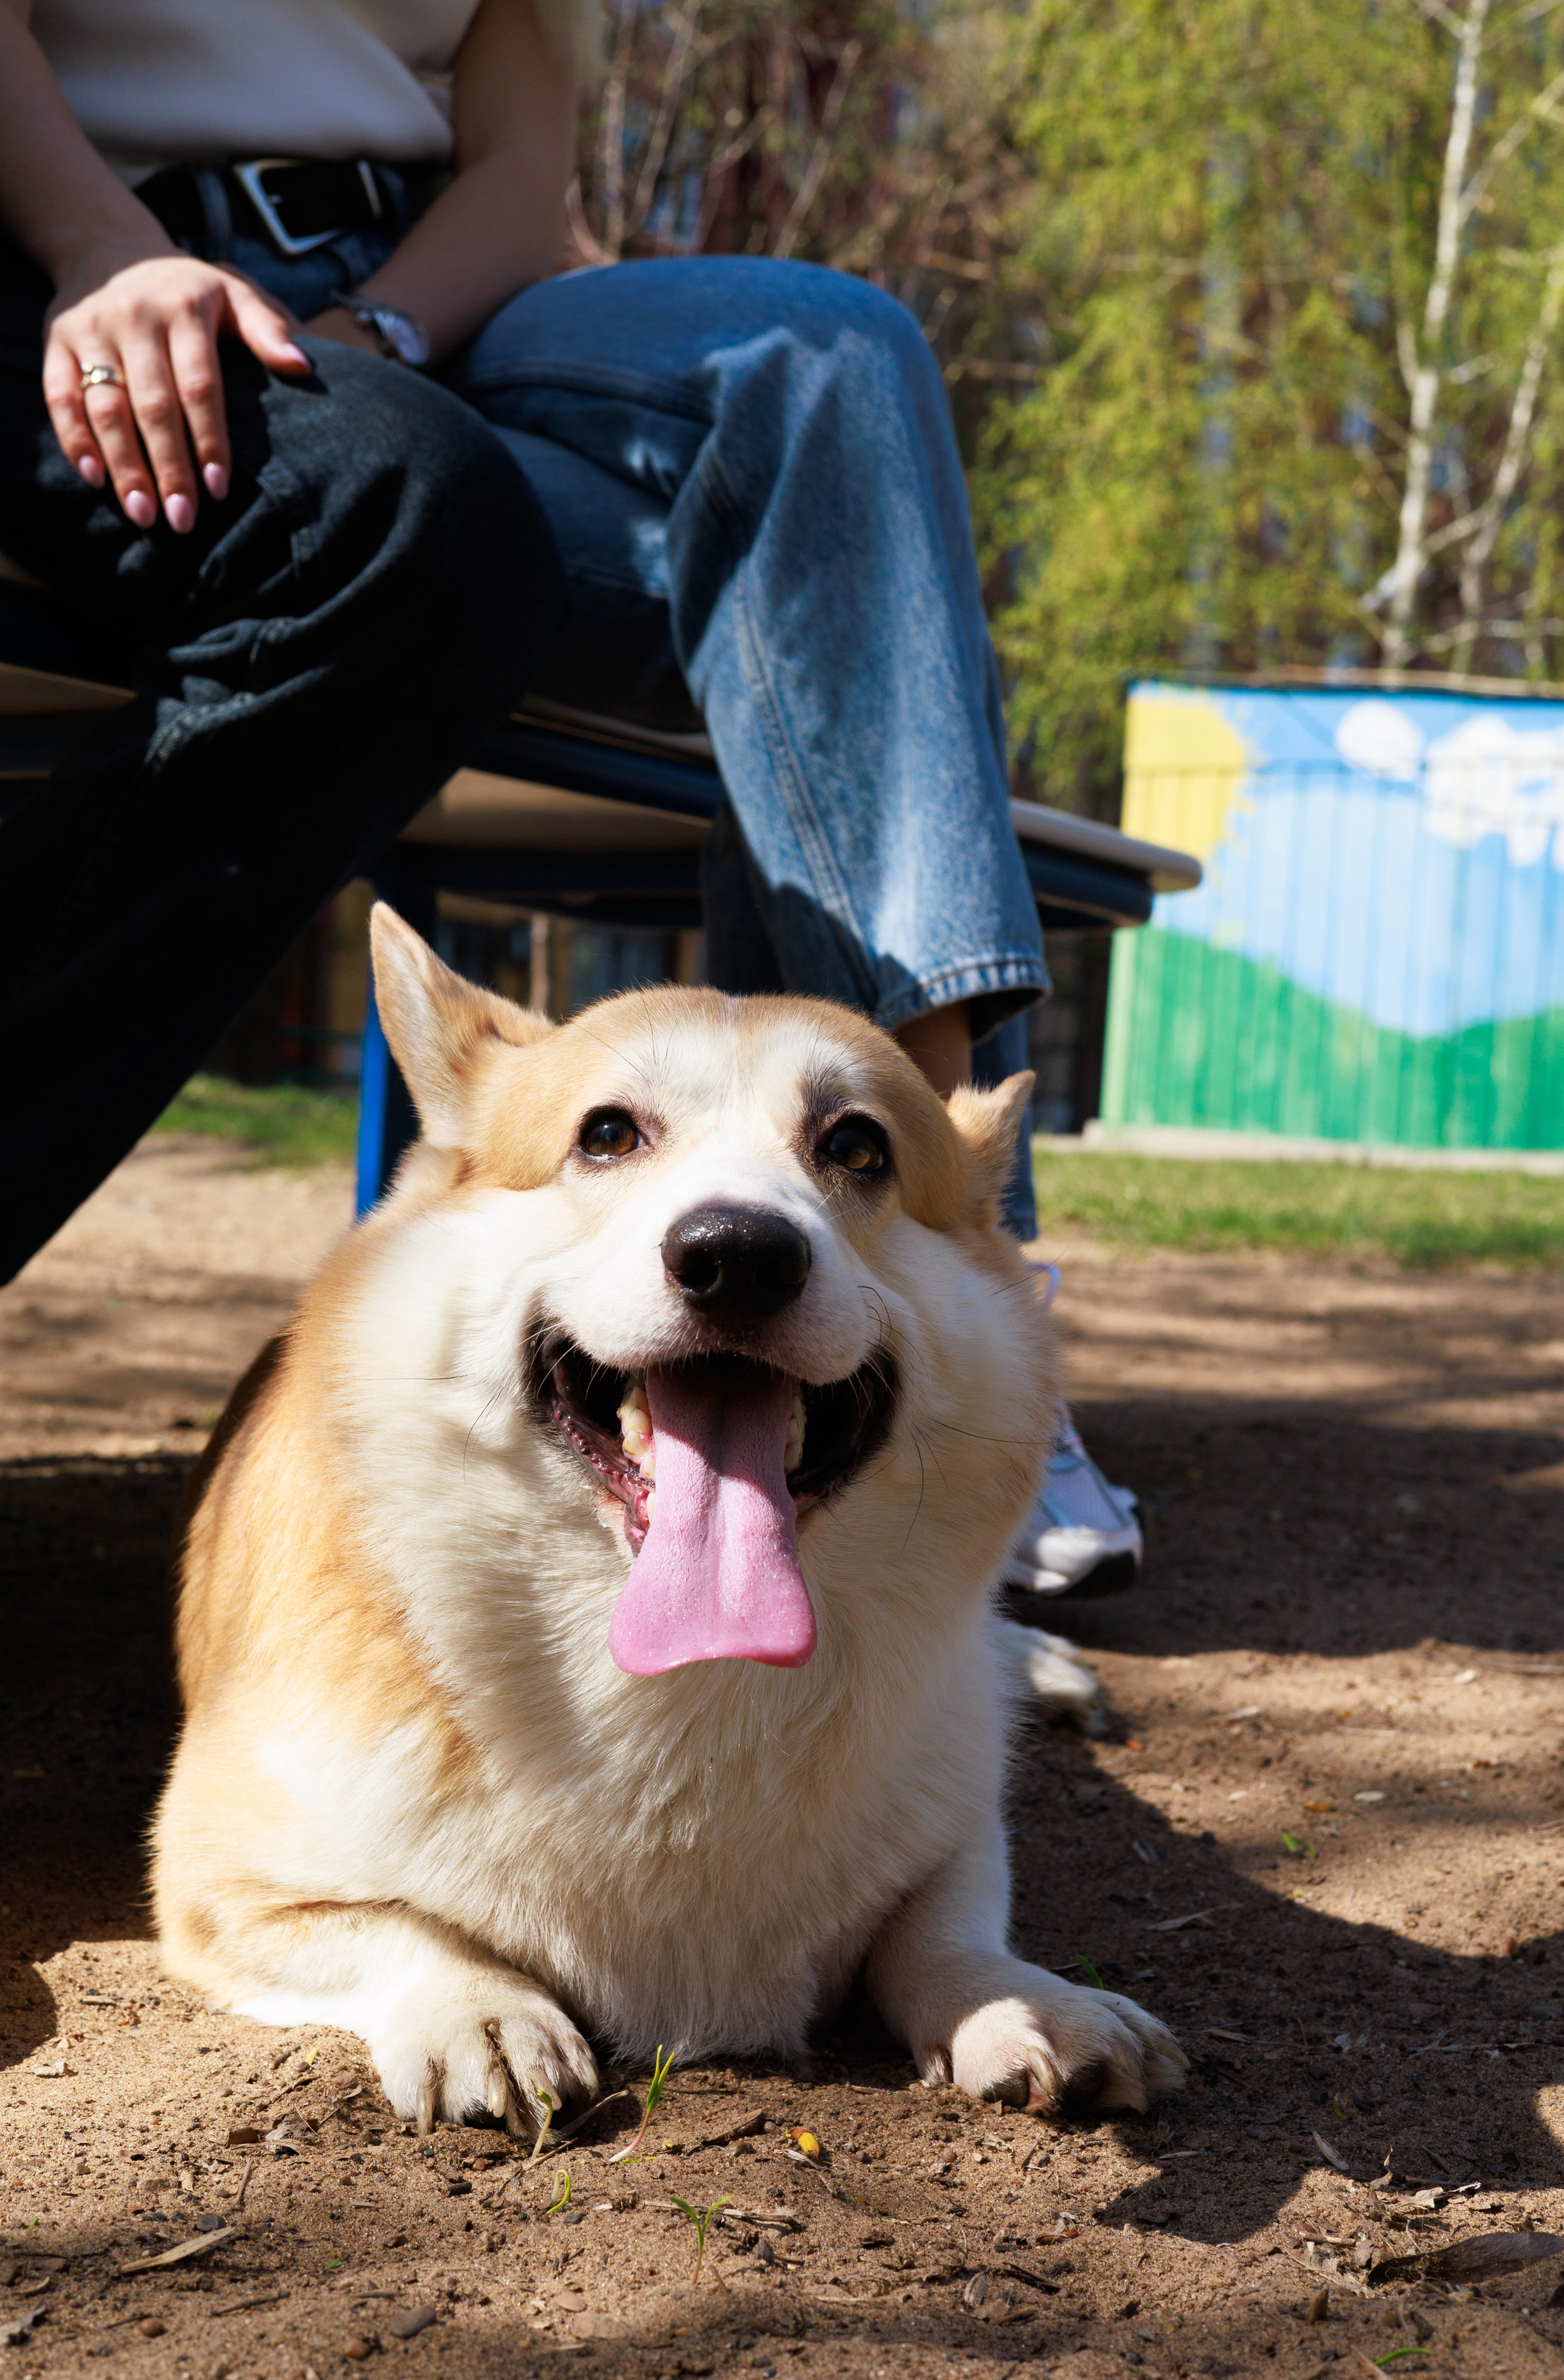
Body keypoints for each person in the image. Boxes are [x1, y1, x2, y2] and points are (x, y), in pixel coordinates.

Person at [0, 0, 1140, 1592]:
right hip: (83, 262)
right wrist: (97, 248)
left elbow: (524, 163)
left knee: (834, 356)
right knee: (488, 529)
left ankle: (946, 1279)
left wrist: (380, 331)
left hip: (422, 310)